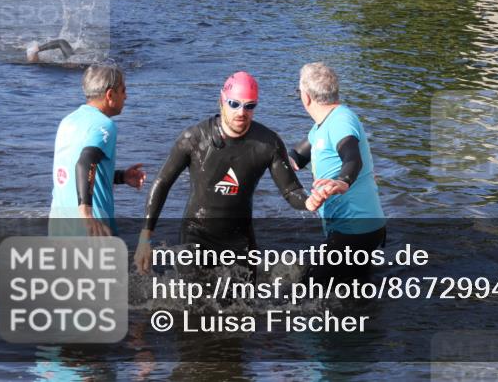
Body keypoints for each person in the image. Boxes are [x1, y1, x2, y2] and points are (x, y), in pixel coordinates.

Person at [134, 72, 328, 274]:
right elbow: (163, 182)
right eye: (234, 104)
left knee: (245, 304)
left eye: (249, 106)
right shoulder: (194, 138)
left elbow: (291, 190)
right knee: (191, 303)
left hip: (240, 239)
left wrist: (308, 201)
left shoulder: (268, 143)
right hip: (196, 234)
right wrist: (144, 238)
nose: (241, 112)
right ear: (222, 100)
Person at [289, 62, 387, 281]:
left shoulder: (342, 121)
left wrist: (343, 181)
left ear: (305, 97)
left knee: (306, 292)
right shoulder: (321, 127)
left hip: (355, 230)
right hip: (359, 229)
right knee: (353, 294)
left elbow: (352, 157)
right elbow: (295, 158)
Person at [49, 63, 145, 236]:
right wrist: (86, 213)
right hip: (91, 227)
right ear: (110, 95)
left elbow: (76, 169)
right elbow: (86, 162)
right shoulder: (104, 125)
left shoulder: (68, 121)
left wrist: (120, 177)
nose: (126, 97)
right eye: (123, 91)